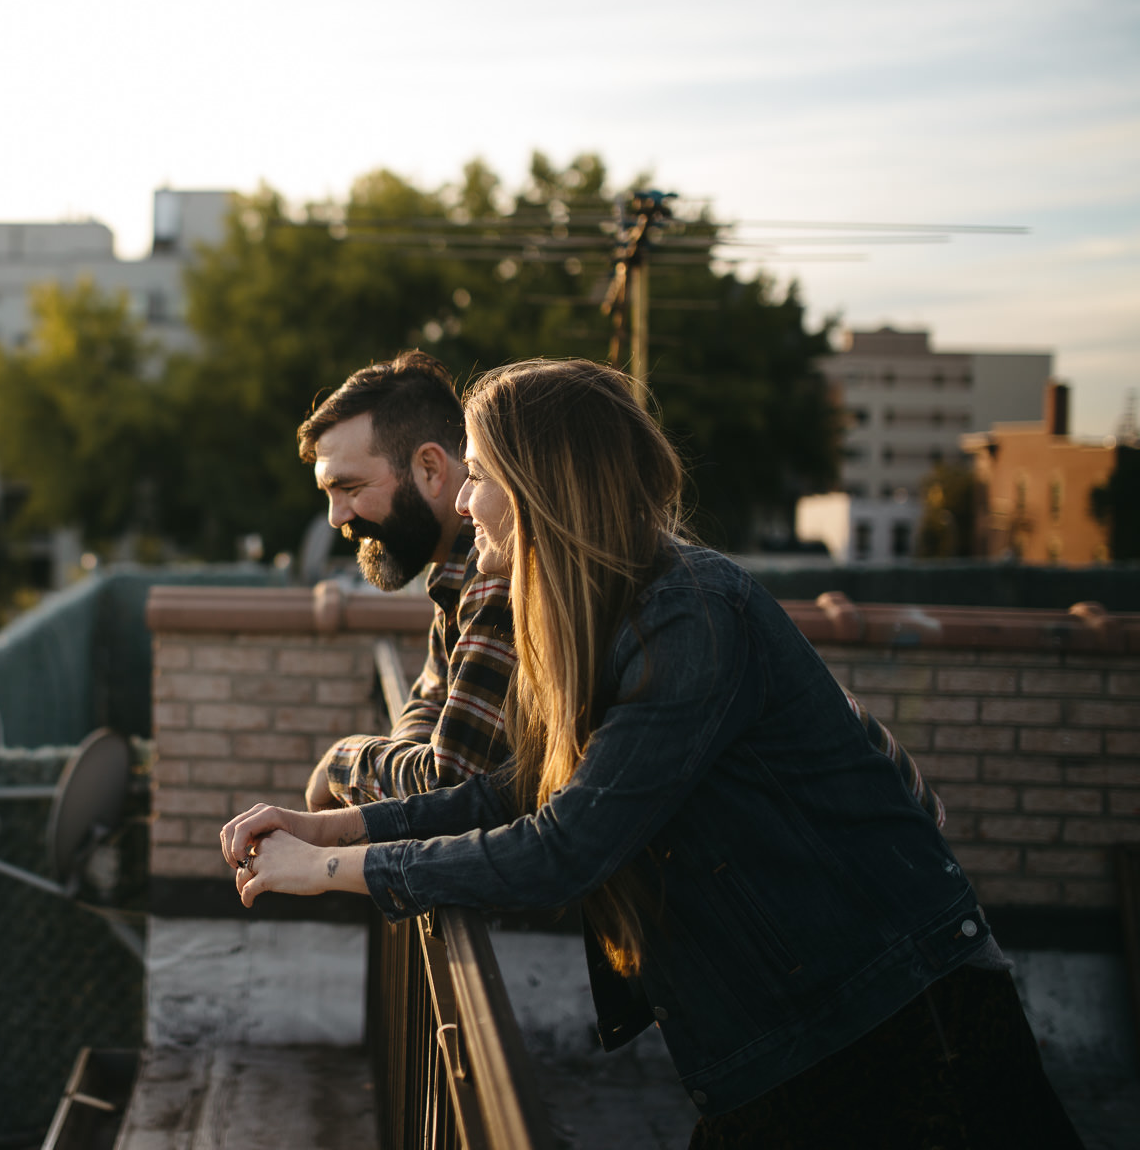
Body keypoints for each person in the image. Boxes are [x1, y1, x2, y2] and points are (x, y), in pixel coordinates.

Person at [223, 359, 1081, 1147]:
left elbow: (563, 847)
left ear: (539, 487)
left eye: (479, 473)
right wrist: (333, 829)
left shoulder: (689, 616)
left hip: (899, 1024)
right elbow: (515, 796)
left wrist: (334, 871)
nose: (464, 498)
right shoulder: (602, 617)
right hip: (793, 1033)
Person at [295, 350, 517, 810]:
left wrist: (343, 761)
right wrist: (401, 769)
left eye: (351, 488)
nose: (336, 518)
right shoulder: (451, 570)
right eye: (329, 494)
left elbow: (448, 787)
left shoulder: (493, 571)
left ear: (430, 468)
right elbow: (429, 705)